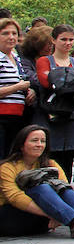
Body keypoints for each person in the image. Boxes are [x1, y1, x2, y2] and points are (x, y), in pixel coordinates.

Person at [0, 125, 74, 237]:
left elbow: (65, 188)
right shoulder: (7, 167)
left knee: (63, 188)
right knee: (42, 188)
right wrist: (52, 215)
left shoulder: (51, 163)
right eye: (34, 141)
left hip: (46, 214)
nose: (39, 145)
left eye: (43, 141)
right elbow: (15, 197)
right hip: (13, 214)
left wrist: (55, 214)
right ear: (21, 145)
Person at [34, 24, 74, 176]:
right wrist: (73, 80)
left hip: (72, 116)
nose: (68, 43)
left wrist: (57, 78)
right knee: (49, 157)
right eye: (63, 39)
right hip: (50, 115)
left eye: (71, 39)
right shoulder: (44, 61)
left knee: (68, 159)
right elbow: (45, 82)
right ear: (53, 40)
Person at [0, 18, 32, 154]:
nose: (11, 37)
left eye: (14, 33)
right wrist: (18, 87)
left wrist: (30, 91)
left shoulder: (16, 58)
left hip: (17, 116)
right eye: (6, 33)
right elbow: (18, 85)